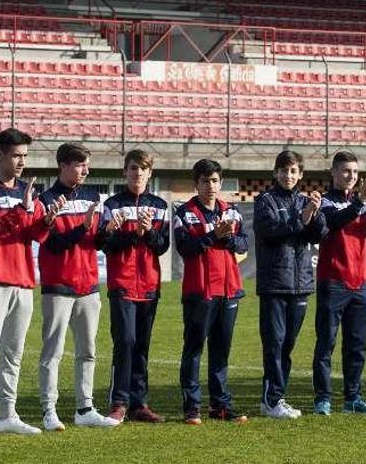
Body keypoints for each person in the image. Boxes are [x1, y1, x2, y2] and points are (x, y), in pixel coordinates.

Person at [0, 128, 54, 438]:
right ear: (0, 154)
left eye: (25, 156)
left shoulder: (25, 190)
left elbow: (33, 234)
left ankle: (7, 414)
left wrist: (45, 219)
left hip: (23, 280)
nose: (21, 162)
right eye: (16, 155)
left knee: (13, 354)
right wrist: (24, 210)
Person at [37, 143, 119, 430]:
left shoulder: (92, 196)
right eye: (80, 164)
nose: (86, 170)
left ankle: (85, 408)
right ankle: (49, 410)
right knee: (53, 351)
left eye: (87, 164)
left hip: (89, 285)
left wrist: (105, 233)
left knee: (88, 350)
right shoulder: (44, 199)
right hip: (58, 285)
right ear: (63, 165)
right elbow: (53, 245)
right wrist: (82, 228)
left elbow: (95, 243)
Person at [175, 159, 249, 425]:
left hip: (229, 291)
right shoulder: (184, 212)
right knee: (193, 350)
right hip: (200, 292)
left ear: (220, 183)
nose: (210, 186)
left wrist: (227, 237)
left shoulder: (232, 212)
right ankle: (192, 407)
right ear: (197, 183)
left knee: (221, 351)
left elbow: (242, 244)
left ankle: (220, 405)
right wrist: (213, 236)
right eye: (205, 181)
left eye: (215, 180)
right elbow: (185, 248)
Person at [253, 151, 327, 419]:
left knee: (287, 345)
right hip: (274, 283)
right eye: (284, 170)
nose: (288, 176)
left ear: (301, 175)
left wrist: (315, 215)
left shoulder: (305, 201)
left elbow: (320, 234)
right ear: (275, 173)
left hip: (301, 283)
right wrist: (302, 217)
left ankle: (269, 399)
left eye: (293, 171)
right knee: (274, 344)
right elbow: (270, 230)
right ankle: (274, 400)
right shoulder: (265, 200)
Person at [99, 149, 169, 423]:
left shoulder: (160, 205)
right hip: (122, 284)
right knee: (124, 341)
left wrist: (148, 232)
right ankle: (118, 402)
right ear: (124, 172)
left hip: (150, 285)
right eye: (132, 168)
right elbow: (105, 245)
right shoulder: (113, 205)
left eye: (142, 169)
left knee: (141, 345)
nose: (137, 173)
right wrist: (128, 234)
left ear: (149, 173)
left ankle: (139, 404)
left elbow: (162, 245)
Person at [313, 151, 366, 415]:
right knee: (326, 343)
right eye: (345, 171)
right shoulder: (325, 200)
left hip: (359, 284)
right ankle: (323, 398)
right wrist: (361, 201)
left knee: (357, 345)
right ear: (333, 172)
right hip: (333, 282)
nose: (351, 176)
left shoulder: (363, 202)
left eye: (355, 172)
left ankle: (353, 398)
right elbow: (333, 223)